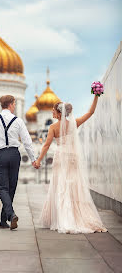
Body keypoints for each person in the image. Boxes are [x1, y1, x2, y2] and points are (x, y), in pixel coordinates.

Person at [34, 95, 108, 234]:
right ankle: (76, 215)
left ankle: (64, 217)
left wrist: (38, 160)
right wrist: (96, 96)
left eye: (53, 111)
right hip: (73, 157)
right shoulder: (75, 123)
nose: (52, 113)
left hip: (61, 157)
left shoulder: (53, 127)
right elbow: (90, 112)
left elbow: (46, 146)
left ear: (59, 113)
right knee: (74, 185)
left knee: (61, 185)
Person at [0, 95, 37, 230]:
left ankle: (10, 214)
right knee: (11, 187)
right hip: (14, 154)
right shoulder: (18, 121)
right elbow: (27, 141)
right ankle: (4, 220)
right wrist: (33, 159)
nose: (15, 106)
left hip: (0, 155)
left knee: (2, 188)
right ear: (11, 104)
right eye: (14, 104)